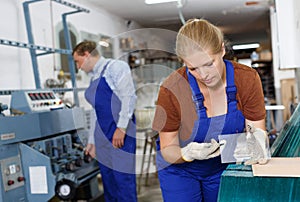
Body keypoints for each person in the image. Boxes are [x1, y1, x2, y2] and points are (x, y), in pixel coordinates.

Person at [152, 19, 268, 202]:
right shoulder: (171, 89)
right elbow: (167, 149)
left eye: (208, 63)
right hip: (180, 172)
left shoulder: (246, 79)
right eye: (193, 68)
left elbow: (258, 131)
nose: (204, 75)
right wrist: (186, 153)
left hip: (223, 166)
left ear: (222, 50)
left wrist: (257, 144)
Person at [72, 40, 137, 202]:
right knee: (109, 183)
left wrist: (121, 128)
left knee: (123, 181)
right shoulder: (94, 76)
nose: (78, 67)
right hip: (102, 136)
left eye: (78, 62)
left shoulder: (115, 67)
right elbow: (96, 112)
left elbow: (129, 97)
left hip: (119, 133)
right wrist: (92, 141)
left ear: (86, 55)